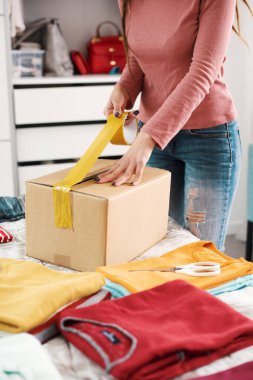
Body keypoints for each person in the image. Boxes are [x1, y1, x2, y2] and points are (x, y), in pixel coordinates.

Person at [96, 0, 252, 250]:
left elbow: (202, 72)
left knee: (198, 258)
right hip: (154, 138)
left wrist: (148, 137)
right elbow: (137, 58)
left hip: (207, 139)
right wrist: (124, 88)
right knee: (159, 249)